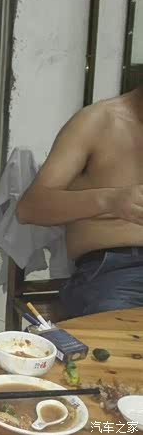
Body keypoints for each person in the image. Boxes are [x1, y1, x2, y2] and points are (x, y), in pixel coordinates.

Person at [17, 87, 143, 318]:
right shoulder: (98, 121)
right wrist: (110, 200)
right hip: (117, 269)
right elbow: (29, 208)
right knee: (123, 334)